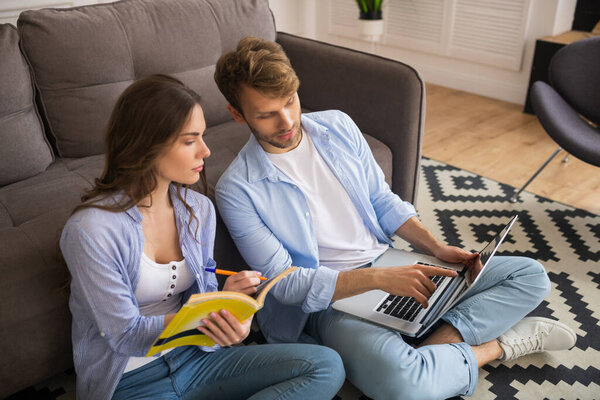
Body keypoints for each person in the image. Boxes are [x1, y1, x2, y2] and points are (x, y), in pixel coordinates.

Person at [213, 37, 577, 400]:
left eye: (290, 101)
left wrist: (436, 247)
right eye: (267, 114)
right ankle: (498, 347)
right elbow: (287, 284)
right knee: (404, 385)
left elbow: (382, 201)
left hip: (393, 263)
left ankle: (427, 351)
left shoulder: (337, 126)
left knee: (530, 276)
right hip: (333, 303)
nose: (289, 120)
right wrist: (379, 279)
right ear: (237, 114)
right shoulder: (237, 189)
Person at [59, 74, 345, 400]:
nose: (206, 151)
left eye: (203, 137)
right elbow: (124, 335)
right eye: (190, 140)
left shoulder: (198, 210)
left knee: (325, 366)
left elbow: (203, 295)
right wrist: (200, 319)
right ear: (147, 144)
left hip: (196, 359)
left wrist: (228, 314)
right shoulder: (91, 231)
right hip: (129, 380)